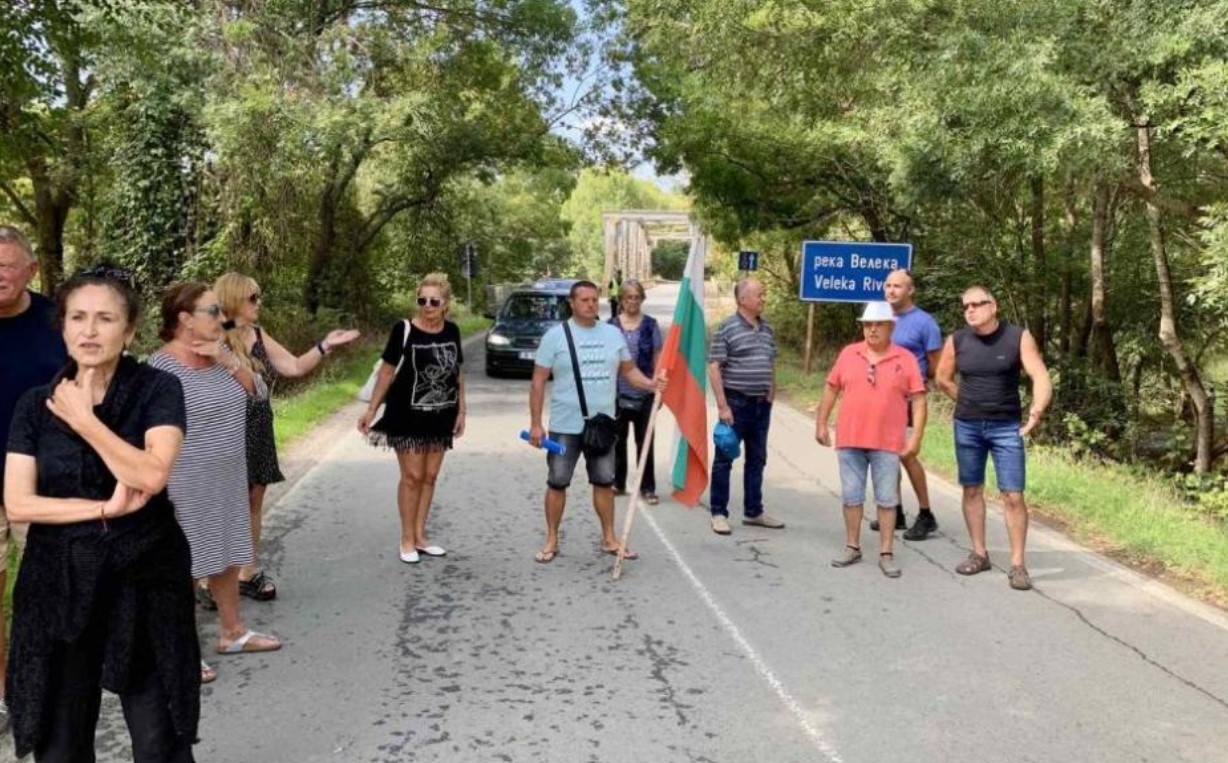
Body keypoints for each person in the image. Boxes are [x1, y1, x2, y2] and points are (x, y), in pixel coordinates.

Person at [4, 265, 199, 761]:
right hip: (58, 580)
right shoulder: (34, 405)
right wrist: (102, 508)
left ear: (129, 331)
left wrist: (86, 422)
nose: (89, 331)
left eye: (105, 318)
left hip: (145, 576)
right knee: (60, 741)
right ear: (63, 327)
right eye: (78, 317)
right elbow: (20, 502)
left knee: (159, 738)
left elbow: (152, 475)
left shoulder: (159, 389)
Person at [149, 283, 282, 667]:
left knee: (227, 552)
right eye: (213, 311)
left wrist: (227, 360)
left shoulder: (221, 356)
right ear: (185, 319)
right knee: (183, 565)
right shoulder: (159, 369)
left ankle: (233, 632)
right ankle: (180, 652)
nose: (222, 318)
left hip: (227, 477)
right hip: (184, 484)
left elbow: (259, 393)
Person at [214, 272, 360, 600]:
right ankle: (212, 578)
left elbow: (294, 366)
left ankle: (246, 573)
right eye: (253, 298)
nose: (259, 303)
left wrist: (325, 345)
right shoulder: (213, 335)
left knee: (253, 502)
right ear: (234, 300)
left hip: (257, 426)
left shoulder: (257, 334)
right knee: (223, 503)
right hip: (223, 429)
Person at [527, 280, 663, 563]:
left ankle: (609, 539)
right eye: (584, 300)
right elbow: (538, 382)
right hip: (565, 426)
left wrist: (652, 385)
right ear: (572, 303)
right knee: (557, 481)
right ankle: (551, 539)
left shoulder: (613, 334)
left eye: (594, 300)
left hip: (603, 425)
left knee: (604, 481)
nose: (590, 305)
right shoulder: (555, 336)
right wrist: (536, 424)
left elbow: (629, 371)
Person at [935, 286, 1052, 591]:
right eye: (965, 306)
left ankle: (1018, 565)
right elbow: (942, 378)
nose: (970, 310)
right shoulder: (957, 340)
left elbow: (1040, 375)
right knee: (972, 489)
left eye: (977, 304)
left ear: (994, 306)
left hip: (1006, 428)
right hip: (967, 426)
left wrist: (1037, 410)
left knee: (1013, 495)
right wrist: (966, 400)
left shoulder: (1018, 337)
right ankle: (979, 553)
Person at [0, 225, 66, 734]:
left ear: (32, 269)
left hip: (44, 481)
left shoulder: (58, 321)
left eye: (7, 265)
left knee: (53, 586)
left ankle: (53, 686)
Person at [359, 273, 466, 564]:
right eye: (423, 300)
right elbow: (386, 372)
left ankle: (420, 536)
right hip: (406, 415)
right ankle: (406, 538)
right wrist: (371, 410)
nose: (428, 306)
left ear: (445, 304)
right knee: (412, 477)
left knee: (430, 476)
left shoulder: (452, 330)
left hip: (442, 414)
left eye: (434, 301)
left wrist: (461, 411)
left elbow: (457, 373)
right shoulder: (403, 329)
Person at [815, 301, 927, 578]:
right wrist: (821, 423)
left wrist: (916, 438)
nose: (872, 329)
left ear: (891, 327)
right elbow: (831, 388)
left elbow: (919, 400)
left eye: (879, 324)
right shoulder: (849, 353)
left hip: (888, 442)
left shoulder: (905, 358)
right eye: (868, 324)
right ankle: (852, 546)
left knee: (887, 499)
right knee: (851, 495)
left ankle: (886, 553)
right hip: (850, 439)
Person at [870, 269, 944, 539]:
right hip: (882, 399)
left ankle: (926, 515)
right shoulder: (881, 318)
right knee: (887, 455)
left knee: (906, 454)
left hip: (909, 401)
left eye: (897, 286)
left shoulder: (925, 323)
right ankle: (896, 510)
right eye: (888, 285)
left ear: (910, 290)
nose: (891, 290)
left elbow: (936, 366)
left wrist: (918, 388)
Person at [707, 277, 784, 535]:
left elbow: (771, 361)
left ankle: (754, 511)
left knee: (757, 459)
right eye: (759, 294)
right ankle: (718, 513)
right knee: (724, 458)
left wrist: (771, 392)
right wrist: (722, 406)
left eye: (763, 294)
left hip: (761, 405)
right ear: (743, 299)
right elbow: (714, 367)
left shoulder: (767, 328)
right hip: (735, 403)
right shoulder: (727, 328)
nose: (763, 299)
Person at [609, 279, 663, 503]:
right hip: (617, 394)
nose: (632, 301)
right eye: (628, 297)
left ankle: (647, 487)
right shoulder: (610, 326)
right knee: (617, 441)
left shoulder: (651, 325)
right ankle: (618, 482)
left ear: (642, 299)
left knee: (645, 442)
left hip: (646, 394)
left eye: (637, 297)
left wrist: (659, 389)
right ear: (621, 300)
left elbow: (658, 358)